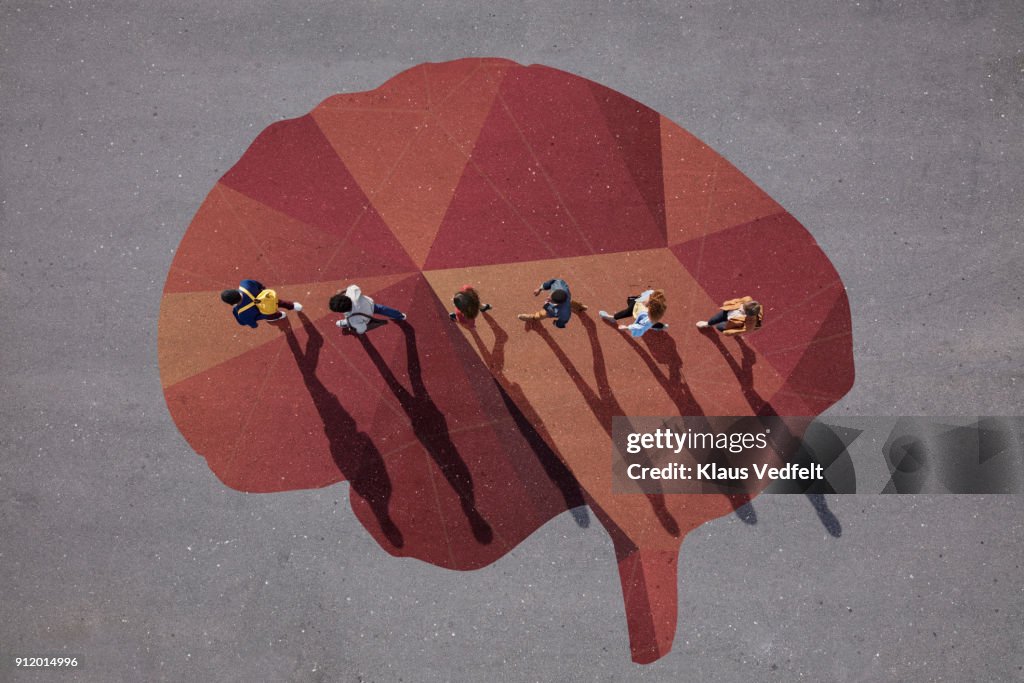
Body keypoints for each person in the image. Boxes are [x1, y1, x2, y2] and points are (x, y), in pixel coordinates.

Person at [221, 279, 301, 328]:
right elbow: (259, 285)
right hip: (268, 300)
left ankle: (280, 315)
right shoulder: (245, 284)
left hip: (266, 313)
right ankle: (293, 306)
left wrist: (254, 325)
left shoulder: (241, 313)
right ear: (235, 291)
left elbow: (253, 324)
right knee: (280, 302)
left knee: (273, 315)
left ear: (231, 303)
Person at [329, 284, 406, 334]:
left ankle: (346, 323)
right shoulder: (352, 293)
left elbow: (362, 329)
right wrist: (342, 291)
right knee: (384, 309)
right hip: (371, 305)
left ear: (342, 311)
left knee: (351, 322)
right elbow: (353, 287)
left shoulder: (353, 319)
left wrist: (357, 331)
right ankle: (400, 316)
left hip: (366, 318)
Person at [516, 278, 587, 328]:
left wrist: (556, 324)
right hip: (567, 299)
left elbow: (563, 321)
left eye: (551, 300)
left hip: (554, 310)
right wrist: (540, 289)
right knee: (569, 302)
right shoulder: (558, 284)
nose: (548, 298)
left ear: (557, 303)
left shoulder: (564, 312)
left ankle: (533, 317)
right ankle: (580, 307)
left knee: (542, 314)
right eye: (551, 296)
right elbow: (552, 282)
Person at [598, 289, 668, 336]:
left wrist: (627, 328)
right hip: (637, 305)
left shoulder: (647, 317)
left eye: (647, 299)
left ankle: (612, 318)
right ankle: (661, 326)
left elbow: (639, 327)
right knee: (629, 300)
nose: (647, 297)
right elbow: (646, 294)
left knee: (628, 312)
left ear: (649, 306)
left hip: (637, 310)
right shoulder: (653, 296)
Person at [696, 296, 763, 335]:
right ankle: (708, 324)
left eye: (743, 309)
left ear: (748, 314)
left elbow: (745, 330)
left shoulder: (751, 322)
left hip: (732, 323)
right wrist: (728, 303)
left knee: (719, 327)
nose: (740, 307)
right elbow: (738, 300)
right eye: (743, 305)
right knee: (713, 319)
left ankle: (714, 324)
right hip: (728, 312)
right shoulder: (747, 300)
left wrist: (730, 332)